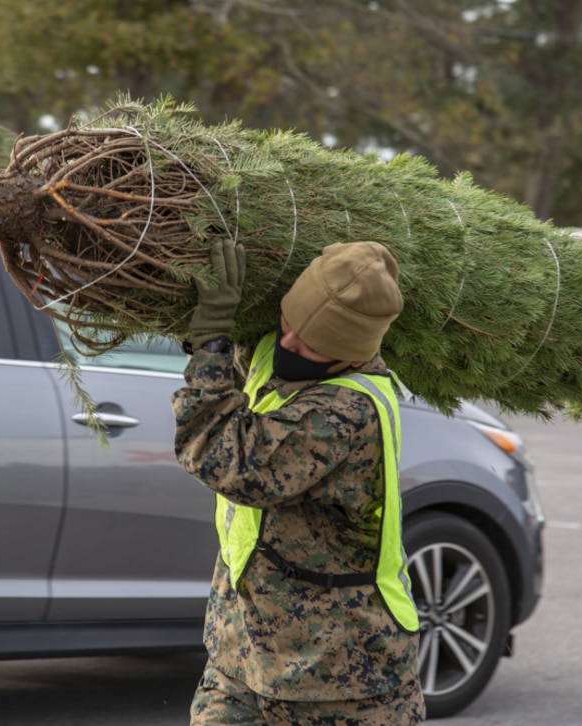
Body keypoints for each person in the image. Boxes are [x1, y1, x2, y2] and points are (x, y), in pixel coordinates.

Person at [172, 238, 425, 725]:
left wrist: (211, 345)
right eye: (288, 323)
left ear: (346, 354)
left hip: (339, 679)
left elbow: (225, 459)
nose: (287, 344)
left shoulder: (347, 414)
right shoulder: (274, 351)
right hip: (241, 653)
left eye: (308, 344)